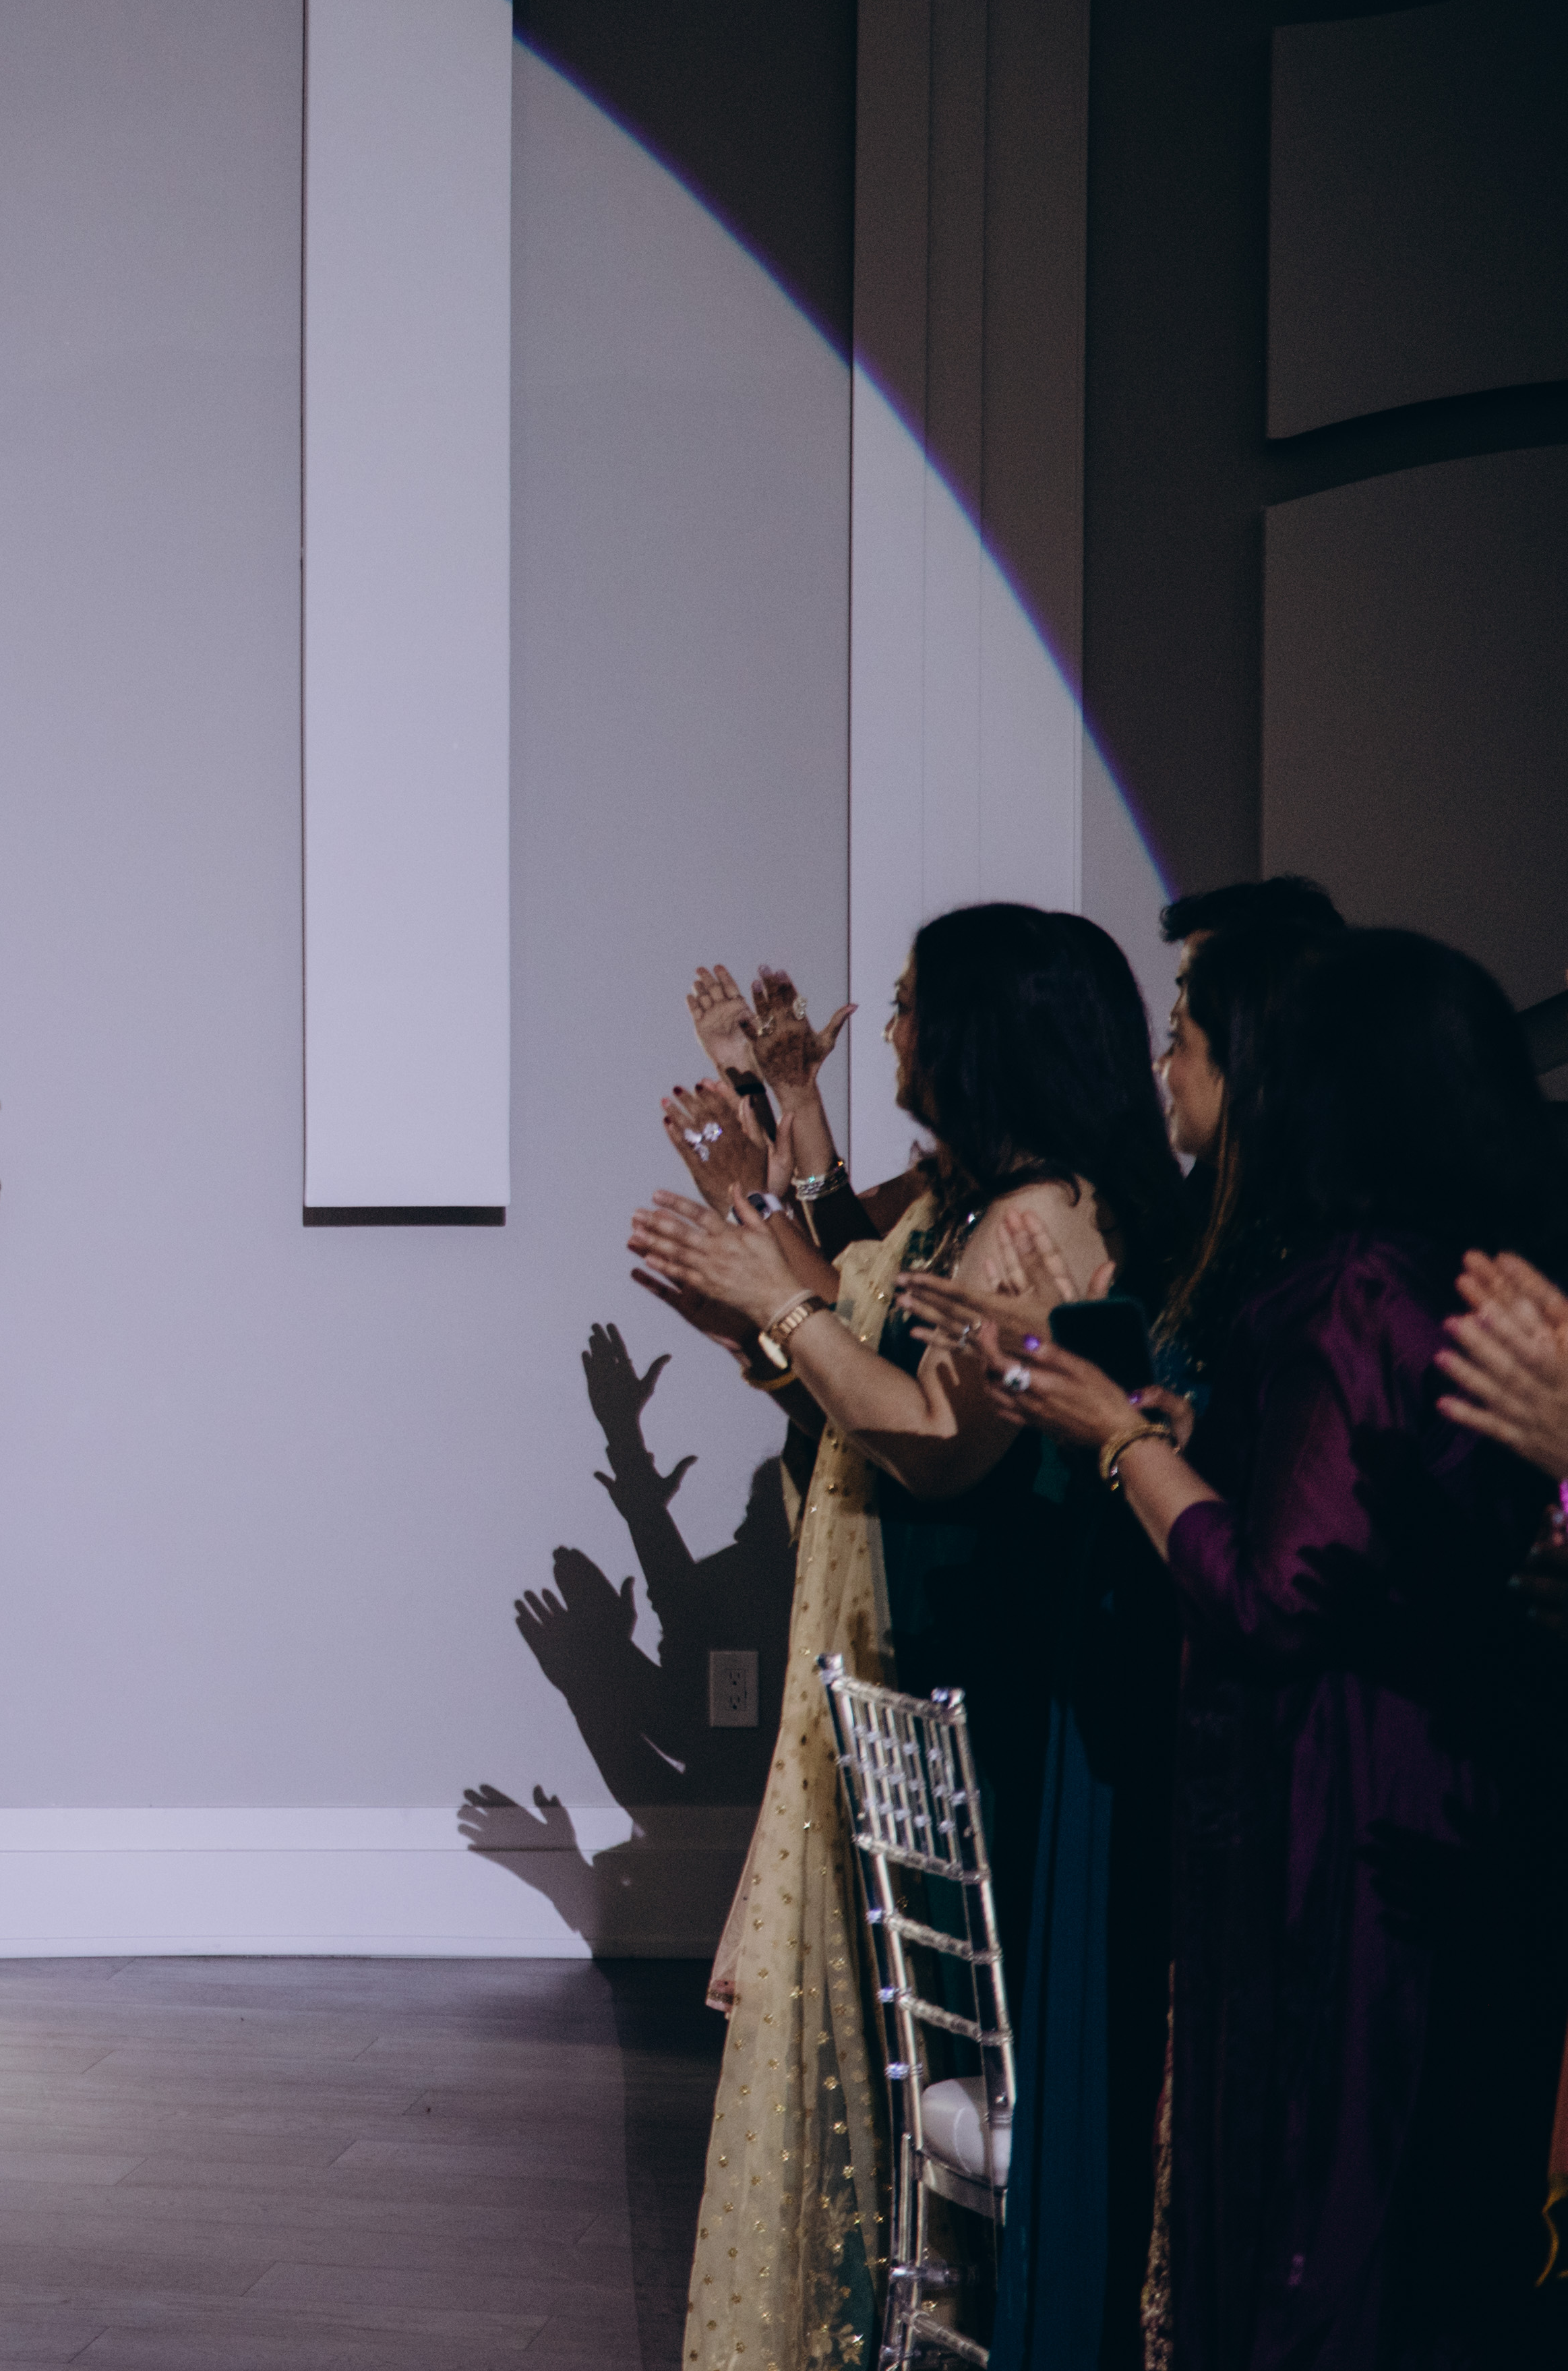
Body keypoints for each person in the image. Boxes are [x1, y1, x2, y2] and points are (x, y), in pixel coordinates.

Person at [909, 927, 1568, 2366]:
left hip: (1340, 1797)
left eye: (1195, 1046)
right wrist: (1169, 1426)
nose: (1180, 1073)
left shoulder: (1358, 1288)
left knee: (1315, 2195)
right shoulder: (1442, 1271)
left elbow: (1276, 1592)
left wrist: (1118, 1436)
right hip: (1433, 1778)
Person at [628, 902, 1184, 2371]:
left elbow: (939, 1443)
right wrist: (762, 1297)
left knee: (982, 2042)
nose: (895, 1031)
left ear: (989, 1034)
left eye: (915, 1005)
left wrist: (779, 1301)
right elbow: (855, 1335)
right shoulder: (972, 1199)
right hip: (932, 1646)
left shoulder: (1039, 1216)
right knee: (921, 2047)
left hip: (1000, 1668)